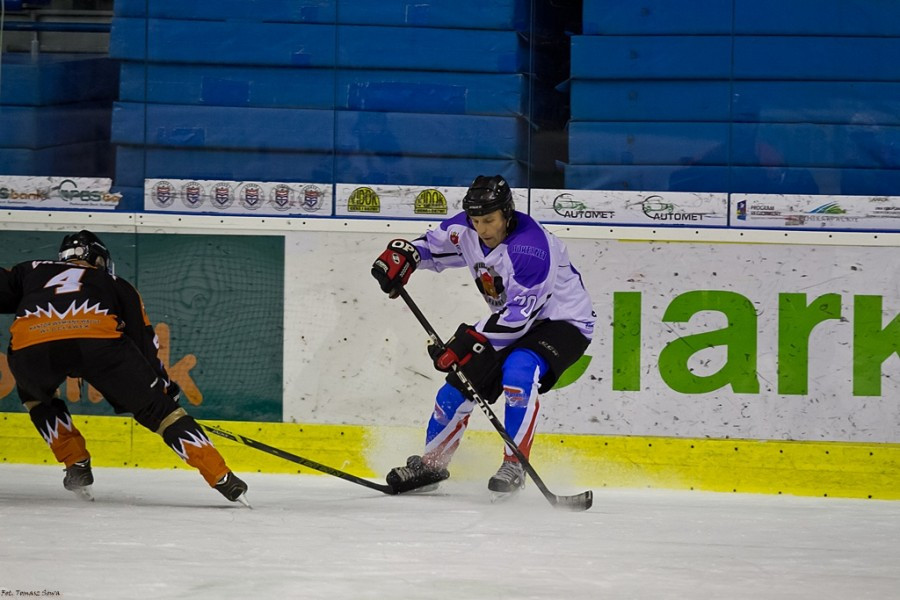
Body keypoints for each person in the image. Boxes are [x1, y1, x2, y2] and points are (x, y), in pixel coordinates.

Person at [371, 175, 596, 499]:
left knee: (518, 370)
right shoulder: (466, 229)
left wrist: (467, 343)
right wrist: (406, 257)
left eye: (489, 220)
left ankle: (514, 466)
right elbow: (430, 247)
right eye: (476, 221)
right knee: (455, 390)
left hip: (562, 322)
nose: (482, 229)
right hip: (510, 322)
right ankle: (431, 466)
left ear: (507, 213)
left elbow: (518, 320)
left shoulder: (531, 249)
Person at [0, 230, 248, 504]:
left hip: (32, 346)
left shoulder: (30, 270)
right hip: (98, 343)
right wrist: (164, 390)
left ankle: (75, 461)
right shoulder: (116, 283)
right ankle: (222, 477)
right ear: (98, 259)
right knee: (162, 414)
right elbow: (144, 342)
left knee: (35, 395)